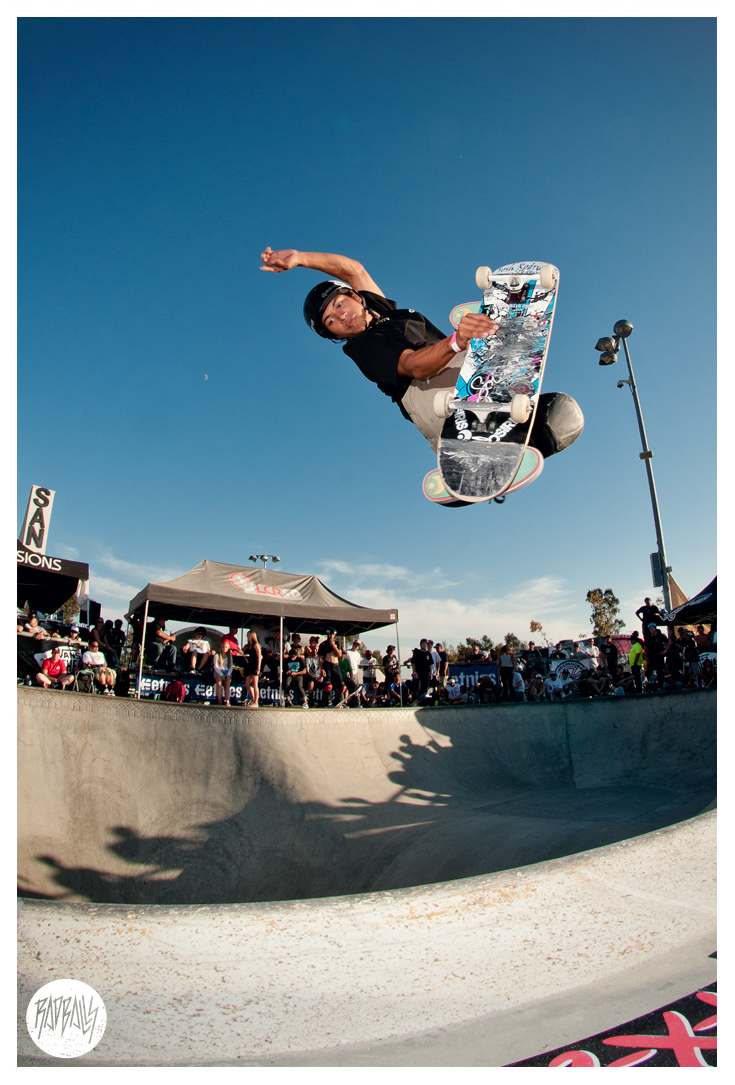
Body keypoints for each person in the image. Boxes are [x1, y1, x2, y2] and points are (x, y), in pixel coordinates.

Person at [260, 247, 584, 457]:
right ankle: (459, 444)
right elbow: (415, 366)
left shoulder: (381, 309)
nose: (341, 318)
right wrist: (457, 341)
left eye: (340, 304)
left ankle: (505, 437)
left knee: (560, 413)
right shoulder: (363, 347)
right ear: (333, 334)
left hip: (458, 371)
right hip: (426, 395)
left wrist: (300, 258)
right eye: (331, 321)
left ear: (356, 297)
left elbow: (351, 268)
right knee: (460, 350)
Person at [318, 630, 344, 707]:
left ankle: (339, 701)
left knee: (341, 685)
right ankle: (327, 701)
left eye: (333, 634)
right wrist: (322, 669)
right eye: (330, 634)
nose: (331, 636)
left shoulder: (337, 643)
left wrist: (333, 646)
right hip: (327, 664)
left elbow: (339, 655)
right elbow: (320, 658)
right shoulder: (323, 644)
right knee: (328, 685)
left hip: (336, 664)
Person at [242, 630, 262, 707]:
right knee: (247, 684)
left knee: (254, 684)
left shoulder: (256, 645)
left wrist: (258, 667)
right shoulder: (248, 646)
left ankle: (256, 701)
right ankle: (253, 698)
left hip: (254, 665)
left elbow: (259, 656)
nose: (248, 637)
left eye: (249, 636)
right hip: (248, 666)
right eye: (247, 636)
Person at [304, 636, 325, 706]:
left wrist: (322, 677)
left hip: (319, 676)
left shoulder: (320, 659)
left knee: (326, 683)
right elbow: (307, 671)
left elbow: (323, 669)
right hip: (312, 677)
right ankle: (311, 700)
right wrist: (314, 677)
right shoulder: (308, 659)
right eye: (313, 649)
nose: (315, 650)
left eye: (316, 649)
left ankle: (324, 701)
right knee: (311, 684)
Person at [212, 641, 234, 706]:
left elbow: (231, 667)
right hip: (218, 671)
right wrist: (221, 675)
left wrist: (228, 674)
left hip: (227, 671)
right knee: (219, 683)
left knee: (227, 684)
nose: (224, 648)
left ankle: (227, 701)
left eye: (226, 647)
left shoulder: (230, 656)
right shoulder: (217, 655)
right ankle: (219, 701)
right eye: (223, 647)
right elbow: (216, 667)